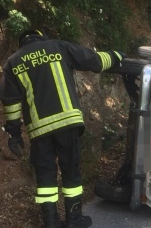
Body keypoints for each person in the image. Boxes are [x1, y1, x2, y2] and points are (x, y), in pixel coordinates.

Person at [0, 29, 125, 228]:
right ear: (41, 37)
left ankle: (51, 223)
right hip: (68, 123)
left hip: (39, 130)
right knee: (71, 171)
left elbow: (11, 102)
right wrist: (116, 56)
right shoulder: (57, 47)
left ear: (22, 43)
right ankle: (74, 221)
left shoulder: (13, 62)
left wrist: (14, 133)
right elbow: (93, 60)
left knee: (45, 176)